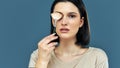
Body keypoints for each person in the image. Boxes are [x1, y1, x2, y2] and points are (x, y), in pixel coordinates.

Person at [28, 0, 109, 68]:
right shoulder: (37, 56)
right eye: (59, 16)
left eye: (71, 16)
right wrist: (42, 62)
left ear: (81, 22)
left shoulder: (97, 57)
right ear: (53, 21)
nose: (64, 22)